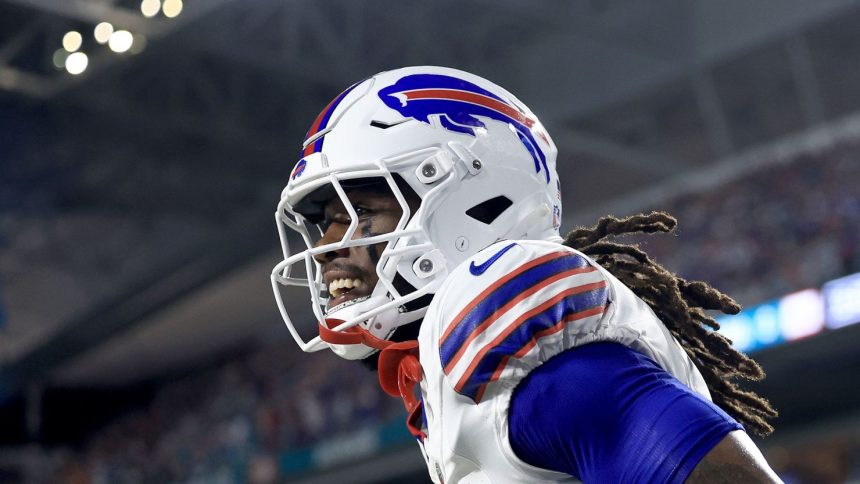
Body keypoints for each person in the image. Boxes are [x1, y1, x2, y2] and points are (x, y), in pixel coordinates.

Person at [271, 66, 780, 483]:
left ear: (471, 204)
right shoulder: (444, 382)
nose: (324, 248)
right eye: (322, 223)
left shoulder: (521, 343)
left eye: (356, 213)